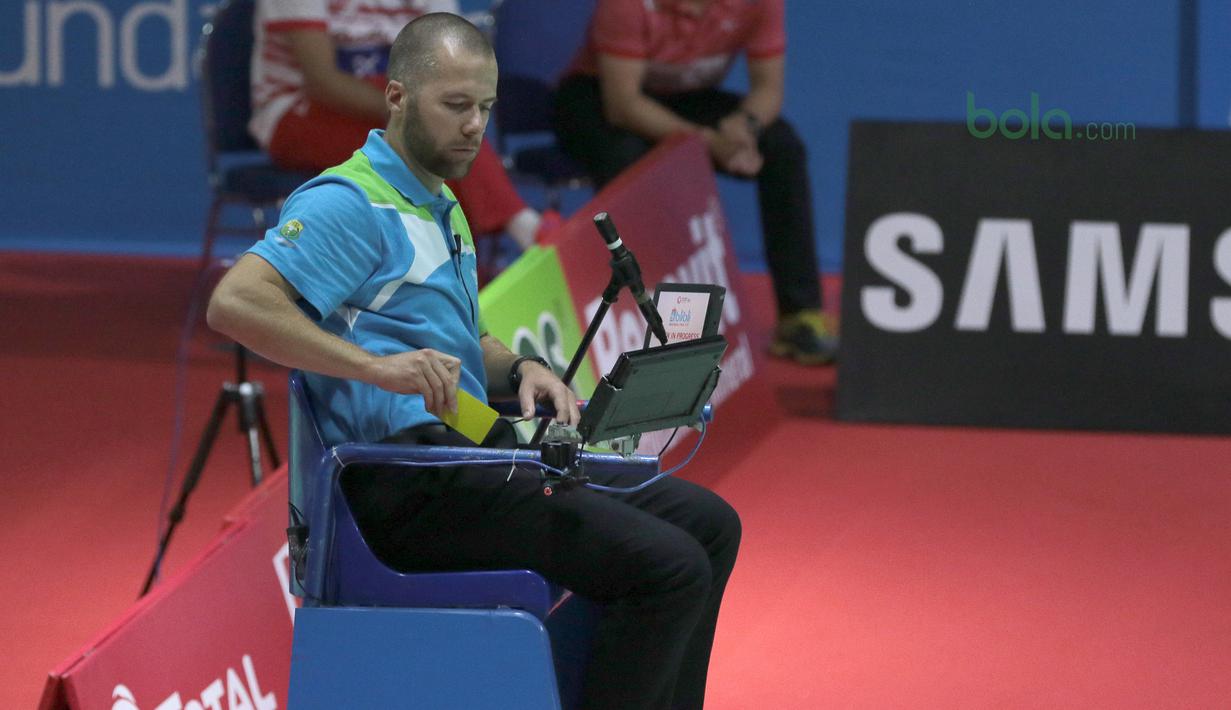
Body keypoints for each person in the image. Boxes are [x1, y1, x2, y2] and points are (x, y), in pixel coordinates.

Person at [209, 13, 740, 710]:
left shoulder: (438, 203)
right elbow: (236, 304)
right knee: (664, 568)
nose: (473, 126)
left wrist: (521, 371)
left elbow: (467, 345)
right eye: (455, 105)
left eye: (483, 108)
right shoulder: (350, 203)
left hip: (468, 462)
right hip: (400, 487)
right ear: (396, 97)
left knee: (708, 525)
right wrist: (375, 369)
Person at [553, 0, 837, 364]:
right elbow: (623, 105)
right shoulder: (627, 5)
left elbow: (768, 90)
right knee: (626, 155)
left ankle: (799, 316)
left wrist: (743, 127)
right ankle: (640, 320)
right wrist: (706, 142)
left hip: (688, 100)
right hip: (599, 98)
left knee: (782, 146)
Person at [249, 0, 556, 249]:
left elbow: (454, 65)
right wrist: (418, 112)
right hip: (296, 111)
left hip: (397, 103)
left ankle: (459, 290)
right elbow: (323, 82)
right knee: (429, 147)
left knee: (440, 142)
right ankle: (521, 229)